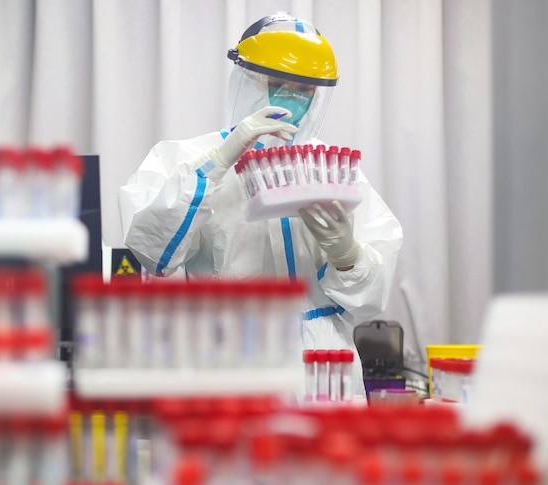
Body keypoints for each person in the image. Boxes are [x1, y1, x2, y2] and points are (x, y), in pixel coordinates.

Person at [117, 13, 403, 396]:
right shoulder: (186, 159)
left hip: (321, 366)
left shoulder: (331, 169)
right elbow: (152, 251)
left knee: (326, 456)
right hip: (229, 360)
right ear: (245, 79)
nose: (291, 96)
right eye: (277, 82)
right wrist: (217, 163)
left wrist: (347, 253)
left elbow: (372, 300)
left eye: (304, 89)